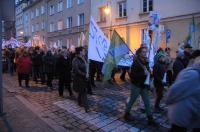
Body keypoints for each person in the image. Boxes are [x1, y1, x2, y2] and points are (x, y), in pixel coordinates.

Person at [166, 50, 200, 132]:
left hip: (192, 116)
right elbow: (173, 91)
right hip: (182, 115)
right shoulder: (192, 74)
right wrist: (168, 100)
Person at [124, 47, 158, 126]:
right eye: (143, 52)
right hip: (136, 85)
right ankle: (126, 113)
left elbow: (147, 72)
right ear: (139, 53)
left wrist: (147, 64)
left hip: (143, 85)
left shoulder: (145, 61)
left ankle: (150, 119)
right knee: (132, 100)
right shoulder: (136, 62)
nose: (145, 53)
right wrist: (143, 74)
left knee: (147, 101)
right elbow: (133, 75)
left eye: (145, 52)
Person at [72, 46, 90, 113]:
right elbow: (76, 70)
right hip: (79, 78)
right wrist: (84, 74)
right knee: (84, 91)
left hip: (84, 78)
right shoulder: (75, 60)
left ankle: (79, 102)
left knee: (81, 91)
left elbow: (86, 67)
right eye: (83, 51)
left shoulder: (83, 58)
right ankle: (86, 107)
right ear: (80, 52)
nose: (85, 52)